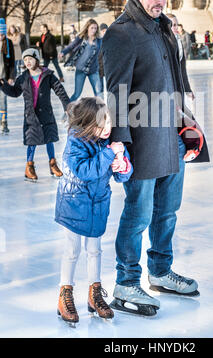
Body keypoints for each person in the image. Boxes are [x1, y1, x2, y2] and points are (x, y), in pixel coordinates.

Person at [102, 0, 209, 316]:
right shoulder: (122, 33)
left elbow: (175, 80)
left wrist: (187, 121)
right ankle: (126, 282)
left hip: (171, 136)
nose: (160, 2)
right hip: (142, 139)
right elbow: (117, 92)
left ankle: (160, 272)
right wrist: (119, 143)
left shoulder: (163, 28)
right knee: (138, 213)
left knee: (167, 212)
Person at [55, 97, 133, 324]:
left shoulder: (108, 141)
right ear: (87, 124)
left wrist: (122, 164)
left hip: (97, 203)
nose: (107, 129)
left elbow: (122, 174)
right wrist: (110, 155)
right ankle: (65, 293)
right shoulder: (75, 143)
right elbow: (85, 171)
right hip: (74, 203)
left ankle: (94, 293)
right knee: (72, 249)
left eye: (108, 122)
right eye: (100, 126)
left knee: (94, 249)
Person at [0, 48, 69, 181]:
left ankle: (53, 164)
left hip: (46, 114)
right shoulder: (23, 78)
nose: (27, 62)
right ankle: (29, 166)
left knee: (49, 138)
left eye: (30, 59)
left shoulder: (48, 75)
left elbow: (59, 90)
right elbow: (15, 92)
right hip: (31, 115)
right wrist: (3, 86)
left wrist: (67, 106)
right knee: (32, 140)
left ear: (37, 59)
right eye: (25, 60)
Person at [59, 19, 103, 101]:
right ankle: (68, 109)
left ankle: (101, 112)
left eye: (95, 28)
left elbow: (106, 49)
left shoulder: (99, 40)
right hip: (80, 70)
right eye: (92, 28)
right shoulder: (81, 38)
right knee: (77, 94)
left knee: (98, 93)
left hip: (93, 70)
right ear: (87, 28)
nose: (94, 30)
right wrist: (63, 52)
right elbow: (71, 46)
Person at [167, 14, 194, 100]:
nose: (176, 27)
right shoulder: (161, 41)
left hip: (177, 88)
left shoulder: (178, 40)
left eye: (177, 25)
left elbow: (182, 68)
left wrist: (187, 89)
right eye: (173, 25)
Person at [0, 18, 15, 134]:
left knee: (2, 101)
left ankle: (4, 123)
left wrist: (11, 77)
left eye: (2, 35)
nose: (1, 37)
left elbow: (12, 62)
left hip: (3, 78)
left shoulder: (8, 43)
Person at [98, 23, 108, 94]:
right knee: (100, 88)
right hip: (99, 66)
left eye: (105, 30)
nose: (104, 32)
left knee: (109, 88)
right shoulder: (98, 41)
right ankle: (100, 103)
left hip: (108, 67)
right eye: (103, 31)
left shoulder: (110, 40)